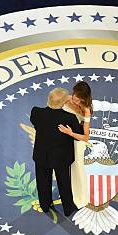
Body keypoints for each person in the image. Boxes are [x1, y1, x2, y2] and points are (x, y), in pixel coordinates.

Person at [30, 88, 82, 216]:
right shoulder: (70, 118)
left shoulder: (36, 112)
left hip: (42, 156)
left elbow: (35, 122)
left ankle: (45, 205)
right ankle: (68, 208)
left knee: (42, 182)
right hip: (62, 158)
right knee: (64, 183)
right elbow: (79, 133)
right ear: (65, 102)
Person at [57, 81, 92, 209]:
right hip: (63, 139)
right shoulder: (66, 100)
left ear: (84, 99)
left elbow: (86, 137)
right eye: (74, 98)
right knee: (65, 168)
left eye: (78, 100)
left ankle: (80, 198)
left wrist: (69, 133)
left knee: (77, 168)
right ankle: (67, 193)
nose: (75, 102)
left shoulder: (86, 111)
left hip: (76, 142)